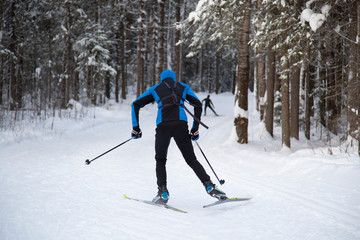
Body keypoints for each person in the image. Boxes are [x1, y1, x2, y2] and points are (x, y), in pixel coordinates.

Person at [131, 69, 226, 204]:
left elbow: (135, 104)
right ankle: (209, 185)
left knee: (160, 160)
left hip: (163, 126)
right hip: (181, 125)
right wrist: (194, 129)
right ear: (174, 79)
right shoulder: (183, 87)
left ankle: (163, 192)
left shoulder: (155, 89)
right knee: (191, 159)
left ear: (162, 79)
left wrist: (136, 128)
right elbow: (198, 105)